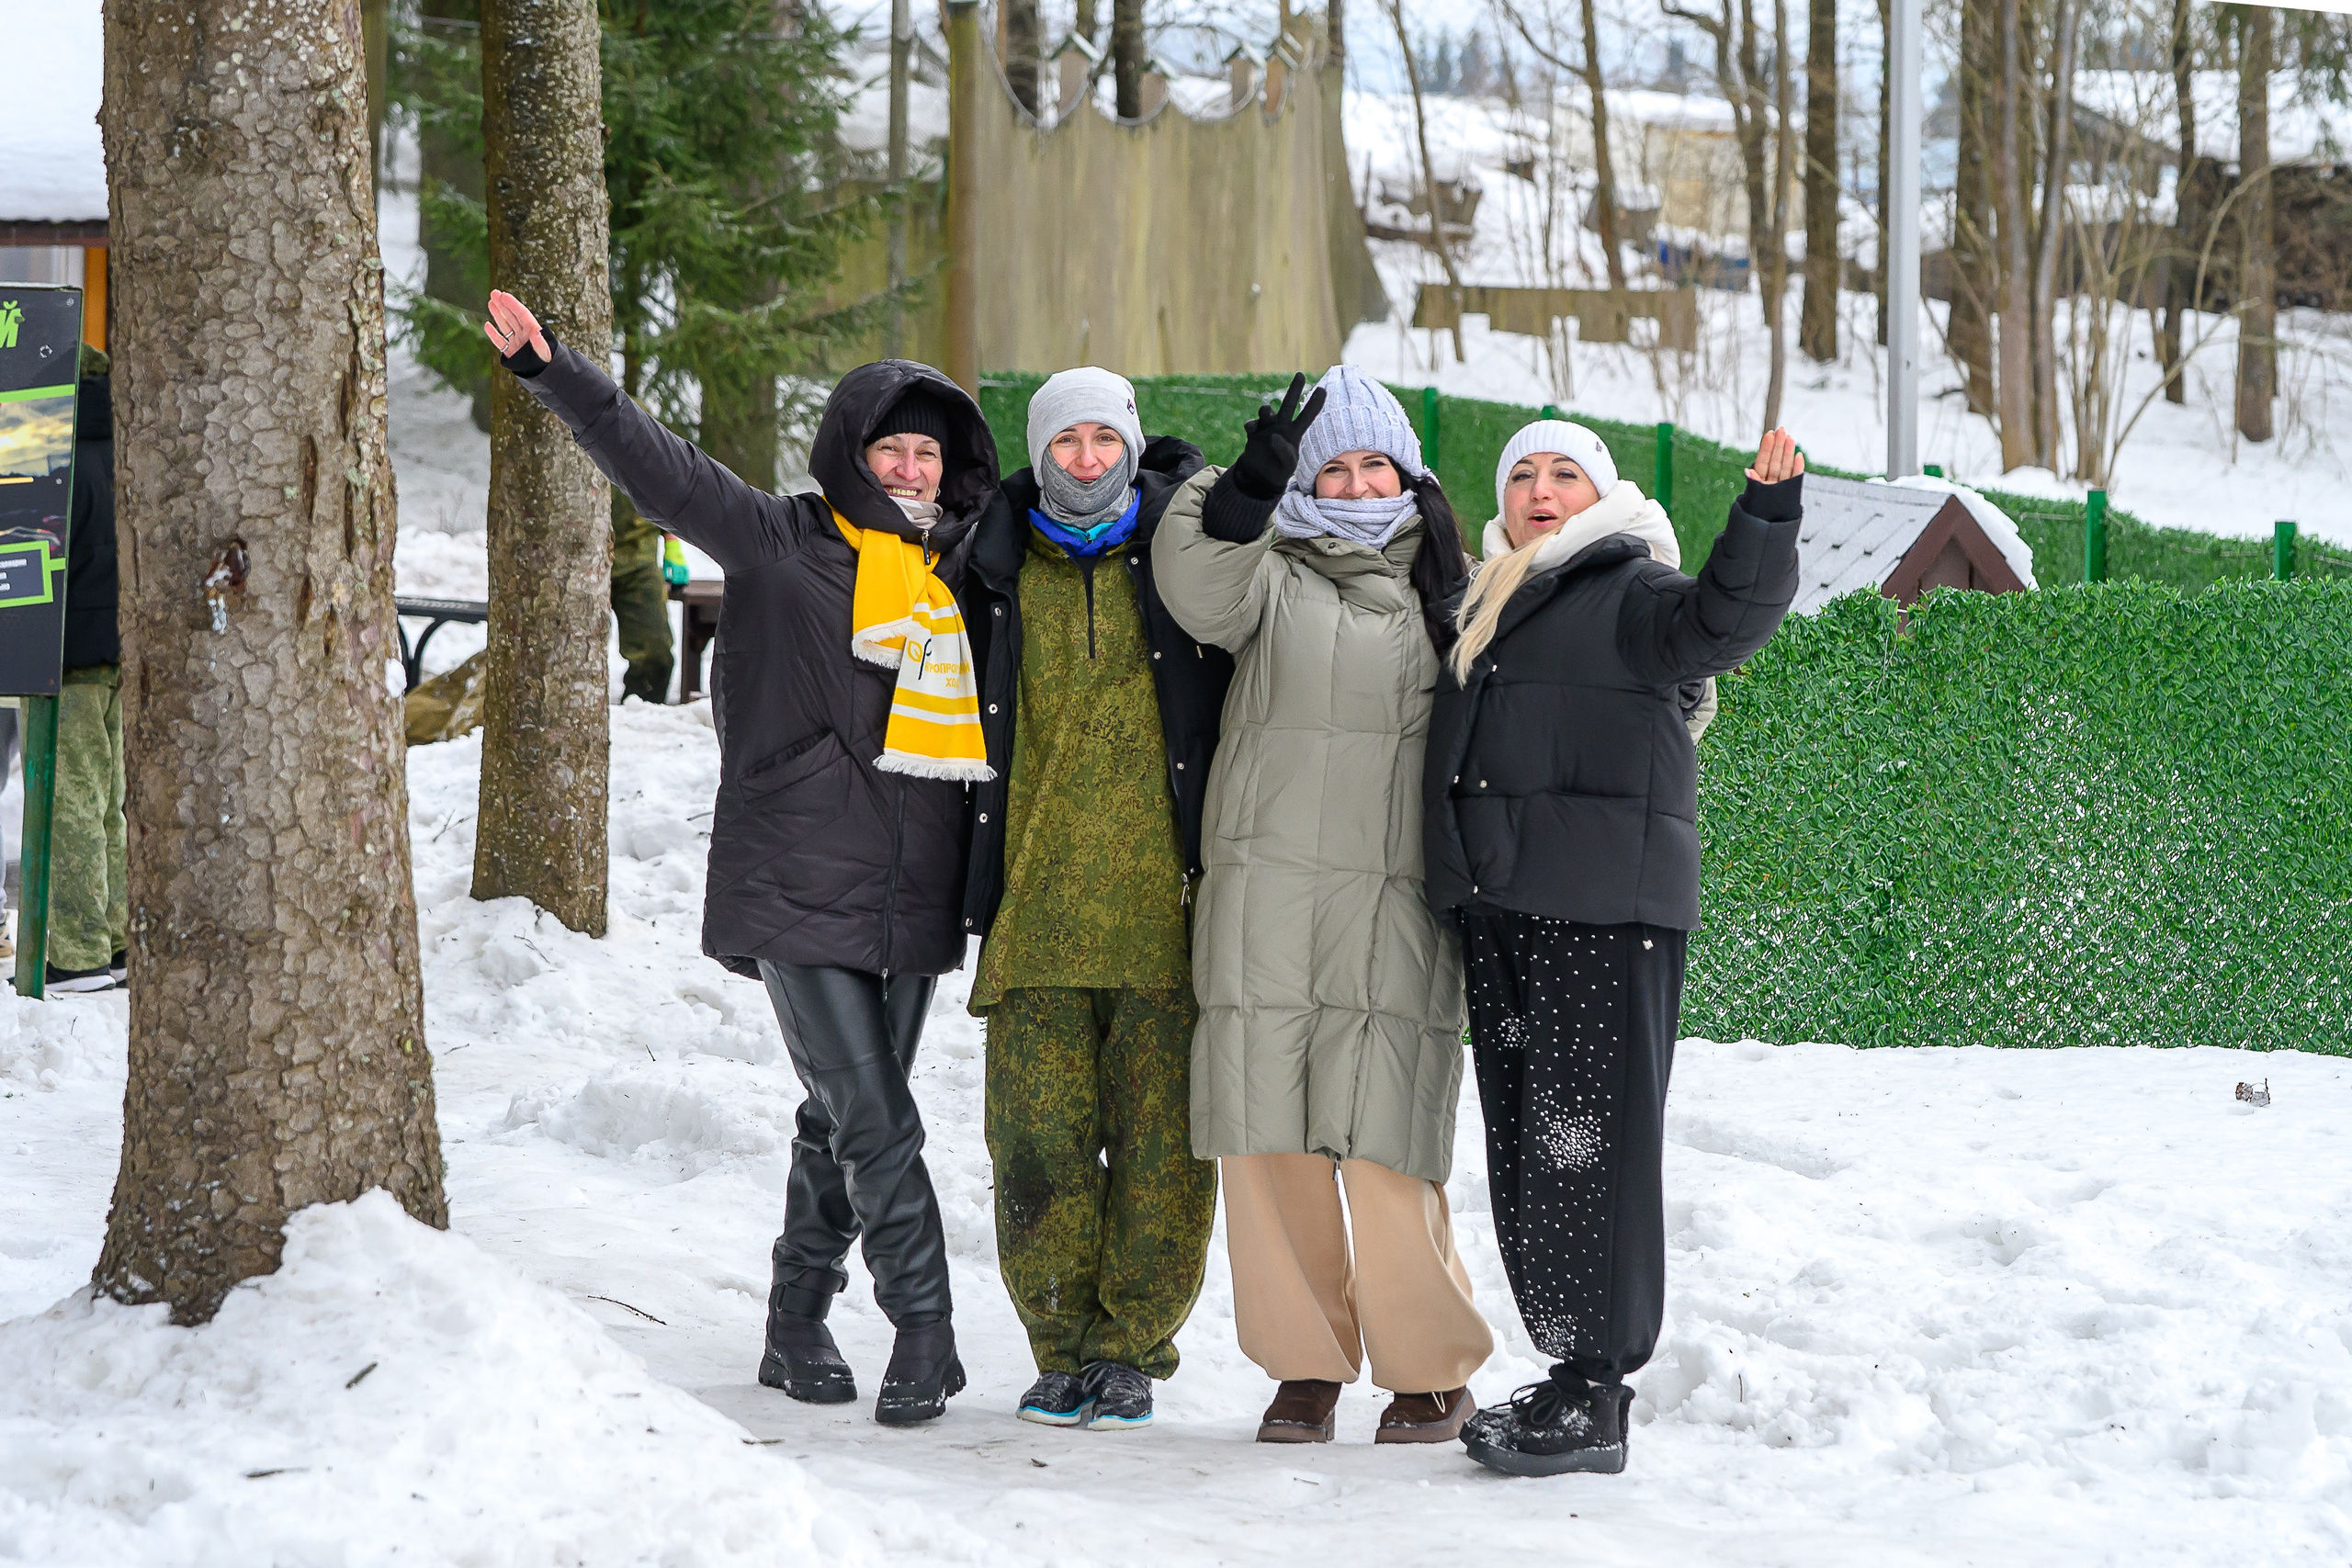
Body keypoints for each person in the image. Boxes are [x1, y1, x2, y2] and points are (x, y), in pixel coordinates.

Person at [483, 290, 999, 1427]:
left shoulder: (960, 577)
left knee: (844, 1113)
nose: (910, 469)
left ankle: (793, 1319)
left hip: (914, 886)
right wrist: (552, 370)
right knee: (871, 1113)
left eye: (928, 453)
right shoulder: (777, 540)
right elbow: (655, 464)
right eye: (891, 448)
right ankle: (925, 1324)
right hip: (795, 872)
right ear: (850, 454)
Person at [1423, 421, 1803, 1477]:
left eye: (1565, 473)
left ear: (1601, 491)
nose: (1543, 490)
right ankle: (1566, 1372)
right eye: (1524, 476)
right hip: (1503, 910)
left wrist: (1764, 519)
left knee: (1595, 1152)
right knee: (1529, 1154)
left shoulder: (1631, 585)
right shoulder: (1491, 594)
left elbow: (1724, 620)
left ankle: (1599, 1393)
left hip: (1603, 911)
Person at [1151, 366, 1487, 1447]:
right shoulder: (1266, 574)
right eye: (1329, 468)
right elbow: (1191, 581)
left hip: (1398, 901)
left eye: (1370, 465)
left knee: (1390, 1139)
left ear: (1408, 475)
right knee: (1268, 1140)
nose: (1351, 486)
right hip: (1268, 888)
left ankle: (1429, 1370)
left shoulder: (1464, 592)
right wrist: (1244, 488)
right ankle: (1303, 1368)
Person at [960, 367, 1223, 1431]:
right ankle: (1057, 1344)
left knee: (1165, 1150)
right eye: (1064, 443)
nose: (1084, 461)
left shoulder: (1181, 560)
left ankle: (1130, 1350)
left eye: (1102, 442)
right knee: (1034, 1148)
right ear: (1040, 449)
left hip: (1167, 918)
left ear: (1130, 446)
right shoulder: (987, 563)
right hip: (1035, 915)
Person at [46, 344, 127, 994]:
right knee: (110, 803)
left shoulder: (51, 458)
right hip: (121, 647)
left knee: (69, 797)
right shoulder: (125, 448)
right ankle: (119, 934)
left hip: (65, 650)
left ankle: (76, 952)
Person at [610, 495, 674, 704]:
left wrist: (673, 543)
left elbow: (666, 484)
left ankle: (642, 716)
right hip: (569, 559)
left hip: (637, 558)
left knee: (655, 658)